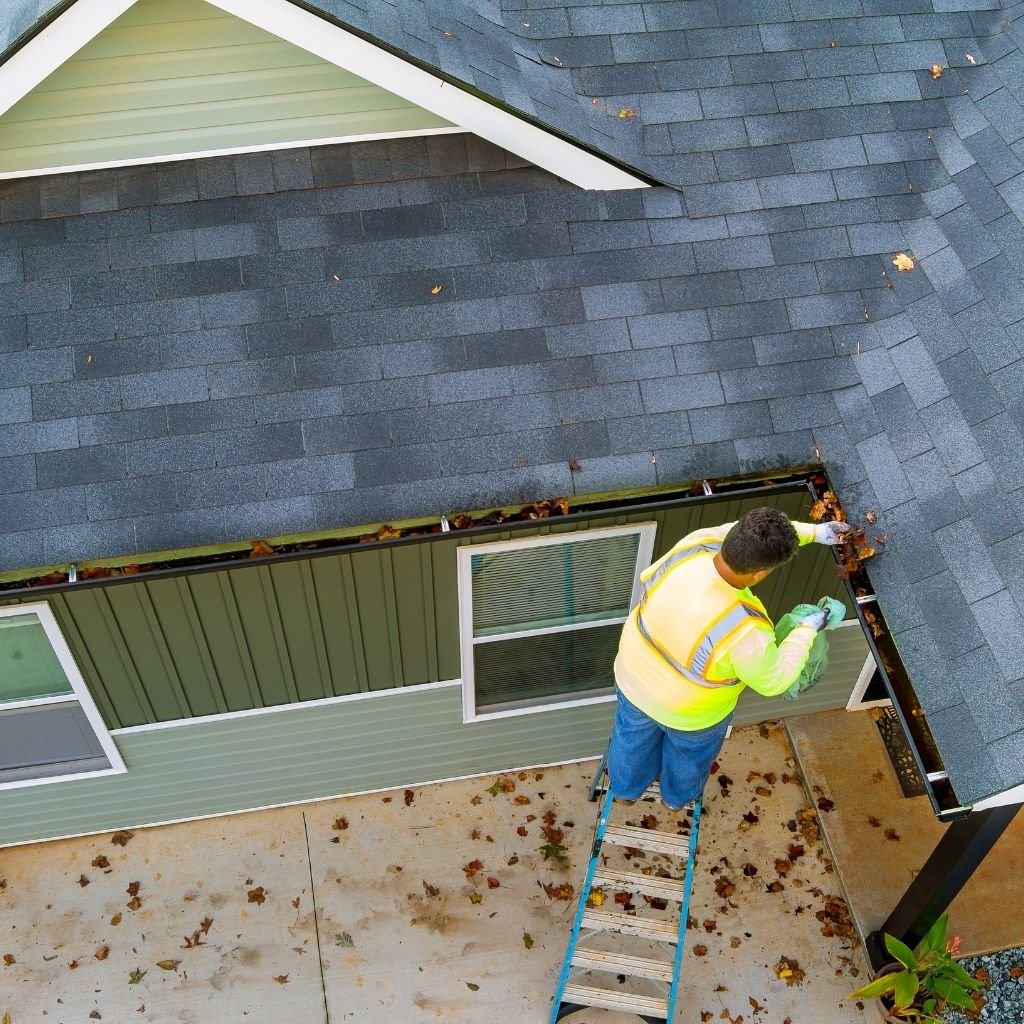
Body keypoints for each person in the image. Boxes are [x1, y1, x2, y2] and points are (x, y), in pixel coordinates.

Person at [608, 506, 850, 811]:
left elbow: (749, 533)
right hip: (691, 715)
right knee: (688, 758)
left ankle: (625, 793)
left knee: (630, 742)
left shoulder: (697, 543)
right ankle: (674, 800)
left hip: (633, 679)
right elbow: (775, 681)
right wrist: (806, 628)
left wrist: (816, 533)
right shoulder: (744, 629)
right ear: (761, 573)